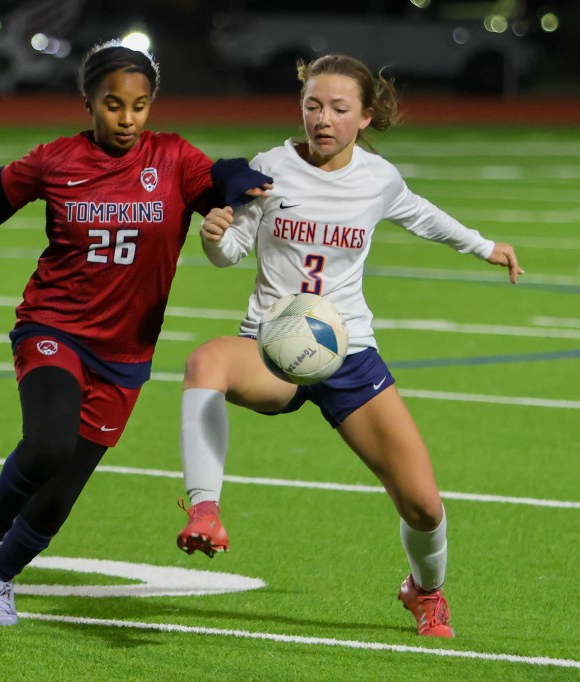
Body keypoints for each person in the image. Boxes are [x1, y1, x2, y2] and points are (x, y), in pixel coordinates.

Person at [0, 40, 272, 626]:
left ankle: (2, 579)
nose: (127, 119)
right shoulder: (58, 159)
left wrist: (241, 183)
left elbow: (220, 174)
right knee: (48, 444)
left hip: (125, 354)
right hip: (54, 327)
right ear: (89, 102)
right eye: (113, 105)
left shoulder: (172, 159)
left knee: (61, 493)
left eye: (140, 106)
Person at [174, 54, 523, 638]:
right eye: (313, 105)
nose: (323, 119)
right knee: (205, 360)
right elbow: (231, 251)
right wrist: (213, 236)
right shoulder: (268, 167)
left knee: (424, 506)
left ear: (365, 117)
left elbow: (421, 216)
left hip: (349, 352)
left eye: (339, 108)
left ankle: (425, 591)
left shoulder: (376, 179)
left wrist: (483, 246)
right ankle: (204, 507)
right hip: (273, 347)